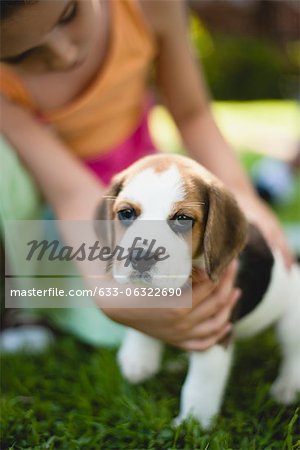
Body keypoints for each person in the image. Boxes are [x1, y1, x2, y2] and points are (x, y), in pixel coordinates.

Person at [0, 0, 293, 352]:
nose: (63, 53)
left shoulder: (150, 6)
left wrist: (242, 195)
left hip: (144, 201)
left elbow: (193, 114)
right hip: (58, 216)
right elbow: (70, 191)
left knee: (175, 294)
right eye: (21, 55)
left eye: (69, 14)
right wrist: (110, 294)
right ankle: (24, 304)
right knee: (120, 320)